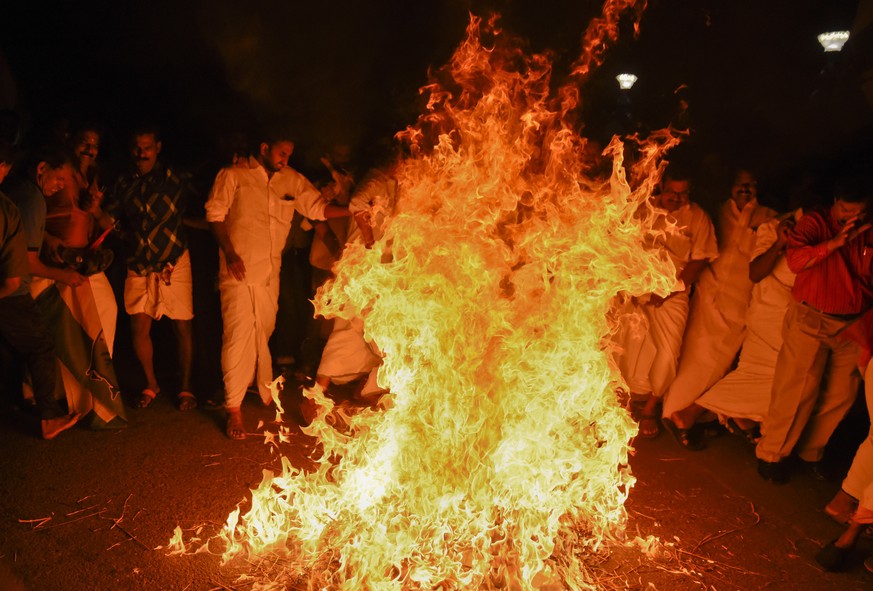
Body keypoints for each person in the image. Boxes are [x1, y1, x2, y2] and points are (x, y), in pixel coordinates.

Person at [205, 131, 351, 439]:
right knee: (237, 335)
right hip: (238, 271)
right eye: (281, 152)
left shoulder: (292, 180)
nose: (285, 159)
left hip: (270, 273)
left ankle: (259, 388)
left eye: (289, 154)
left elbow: (316, 209)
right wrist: (230, 253)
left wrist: (355, 209)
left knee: (263, 332)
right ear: (263, 148)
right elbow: (215, 216)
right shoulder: (233, 175)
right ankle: (233, 409)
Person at [756, 177, 873, 484]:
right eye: (847, 210)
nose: (853, 218)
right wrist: (836, 243)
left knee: (841, 394)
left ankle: (809, 452)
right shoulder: (814, 223)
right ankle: (772, 454)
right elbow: (795, 261)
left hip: (852, 322)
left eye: (859, 212)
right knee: (797, 389)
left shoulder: (869, 228)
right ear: (836, 200)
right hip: (811, 317)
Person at [661, 166, 777, 448]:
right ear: (731, 186)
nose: (745, 189)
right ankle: (674, 412)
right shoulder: (717, 211)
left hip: (739, 302)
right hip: (708, 295)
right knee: (692, 356)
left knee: (719, 364)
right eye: (741, 183)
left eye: (751, 184)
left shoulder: (769, 217)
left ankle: (695, 416)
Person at [669, 211, 799, 443]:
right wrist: (781, 242)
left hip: (781, 313)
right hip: (766, 310)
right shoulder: (773, 227)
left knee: (764, 375)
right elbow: (756, 271)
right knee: (764, 374)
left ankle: (731, 416)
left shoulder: (770, 216)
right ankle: (691, 412)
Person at [613, 162, 718, 441]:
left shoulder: (698, 218)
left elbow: (700, 259)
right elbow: (623, 246)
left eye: (682, 194)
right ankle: (618, 402)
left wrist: (671, 289)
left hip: (673, 292)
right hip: (636, 287)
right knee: (623, 343)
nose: (676, 198)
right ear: (661, 187)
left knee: (669, 351)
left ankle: (650, 407)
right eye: (672, 191)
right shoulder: (643, 208)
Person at [29, 125, 125, 428]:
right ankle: (57, 396)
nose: (90, 149)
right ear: (71, 142)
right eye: (85, 143)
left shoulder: (90, 178)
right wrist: (45, 239)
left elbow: (104, 222)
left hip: (85, 261)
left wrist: (96, 210)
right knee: (62, 330)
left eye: (95, 145)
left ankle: (95, 392)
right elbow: (29, 213)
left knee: (105, 314)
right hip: (55, 261)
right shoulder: (59, 173)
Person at [96, 127, 195, 411]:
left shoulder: (175, 178)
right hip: (139, 262)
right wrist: (95, 212)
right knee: (139, 326)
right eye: (138, 148)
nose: (142, 153)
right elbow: (109, 221)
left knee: (182, 324)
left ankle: (186, 388)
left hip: (174, 262)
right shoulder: (124, 182)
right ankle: (151, 383)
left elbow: (204, 199)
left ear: (158, 147)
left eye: (147, 147)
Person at [0, 142, 80, 439]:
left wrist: (44, 236)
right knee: (40, 344)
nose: (60, 187)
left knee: (9, 350)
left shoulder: (16, 190)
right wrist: (64, 274)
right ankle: (49, 417)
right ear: (42, 168)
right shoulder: (33, 199)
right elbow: (28, 263)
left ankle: (13, 406)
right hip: (11, 289)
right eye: (59, 178)